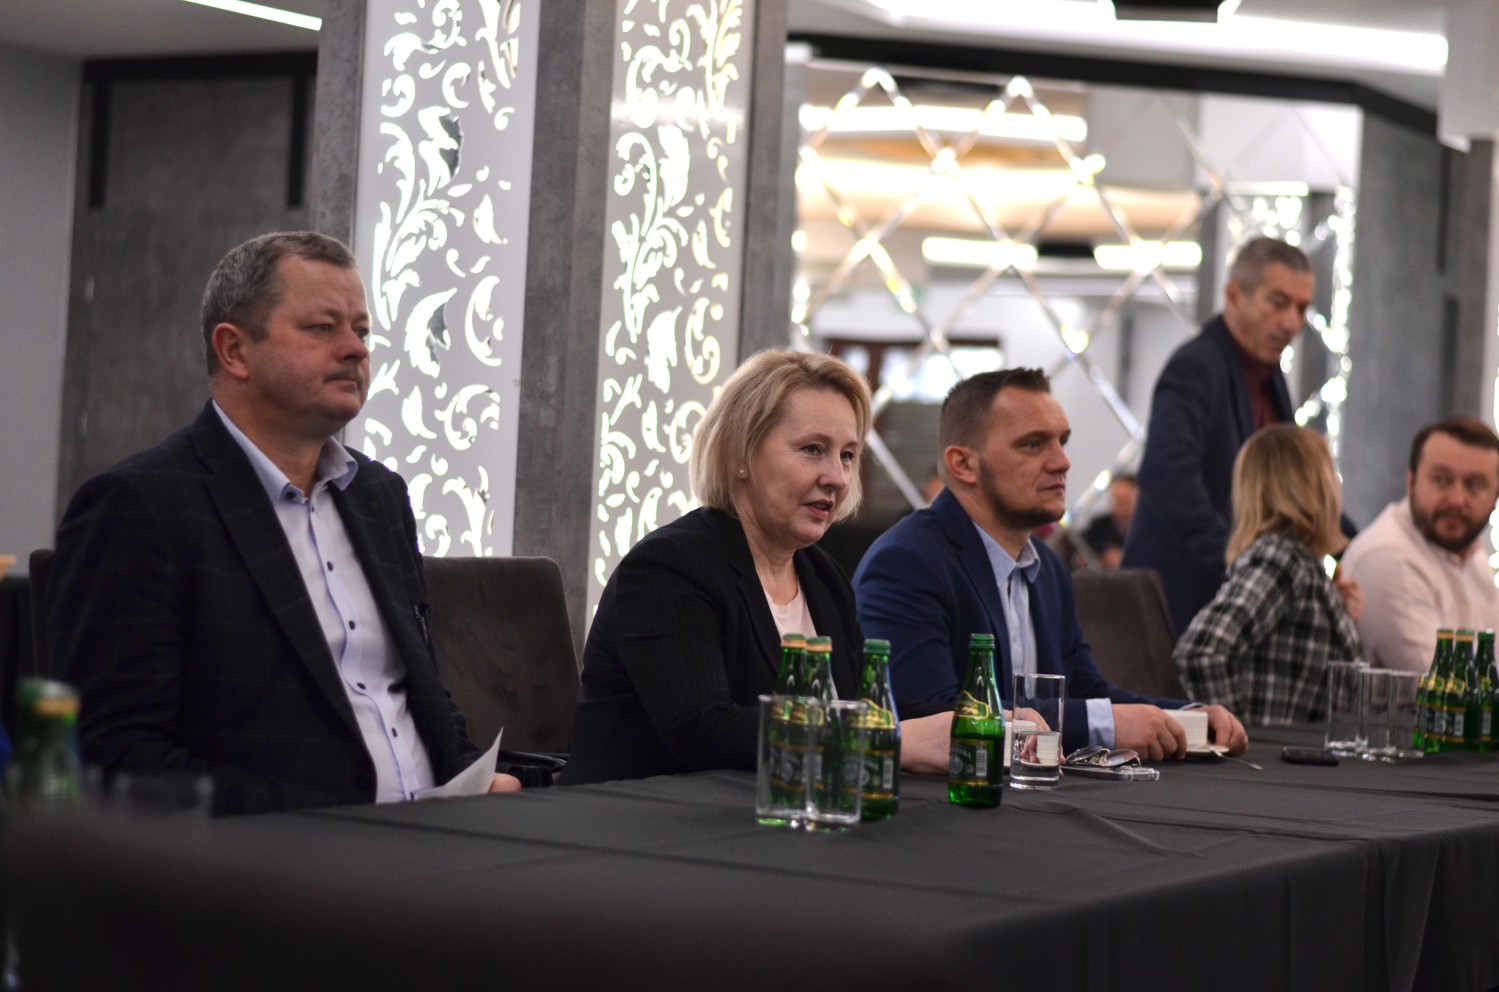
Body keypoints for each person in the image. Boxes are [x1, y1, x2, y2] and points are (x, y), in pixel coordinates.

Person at [49, 232, 519, 815]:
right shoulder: (140, 507)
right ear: (234, 351)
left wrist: (472, 776)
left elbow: (415, 692)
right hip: (270, 856)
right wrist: (330, 826)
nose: (355, 350)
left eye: (362, 331)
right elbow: (118, 754)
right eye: (323, 328)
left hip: (440, 835)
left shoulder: (379, 496)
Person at [566, 349, 952, 784]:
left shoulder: (823, 576)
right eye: (812, 449)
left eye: (847, 455)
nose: (838, 478)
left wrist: (974, 721)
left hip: (774, 811)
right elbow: (705, 730)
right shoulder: (670, 566)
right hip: (633, 817)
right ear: (740, 454)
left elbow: (860, 706)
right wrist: (883, 739)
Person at [854, 368, 1248, 760]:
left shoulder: (1048, 567)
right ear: (963, 464)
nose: (1062, 462)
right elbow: (928, 716)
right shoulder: (906, 563)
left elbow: (1086, 690)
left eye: (1062, 441)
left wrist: (1187, 716)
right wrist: (1105, 725)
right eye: (1032, 444)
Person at [1124, 236, 1314, 634]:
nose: (1291, 323)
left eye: (1301, 309)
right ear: (1233, 296)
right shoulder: (1196, 366)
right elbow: (1167, 477)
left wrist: (1351, 546)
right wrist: (1240, 563)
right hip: (1174, 609)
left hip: (1229, 608)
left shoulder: (1269, 377)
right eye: (1278, 303)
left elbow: (1289, 485)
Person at [1174, 426, 1364, 725]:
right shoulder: (1280, 560)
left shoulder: (1297, 563)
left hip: (1293, 751)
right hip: (1277, 752)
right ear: (1315, 486)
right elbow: (1200, 651)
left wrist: (1341, 616)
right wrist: (1235, 732)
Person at [1340, 417, 1499, 671]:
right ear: (1410, 482)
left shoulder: (1472, 554)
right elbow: (1440, 686)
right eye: (1441, 480)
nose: (1457, 499)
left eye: (1474, 485)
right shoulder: (1388, 558)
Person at [1078, 473, 1137, 569]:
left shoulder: (1148, 531)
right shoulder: (1099, 526)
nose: (1119, 506)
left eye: (1124, 500)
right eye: (1116, 500)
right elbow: (1081, 551)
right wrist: (1100, 560)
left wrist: (1127, 560)